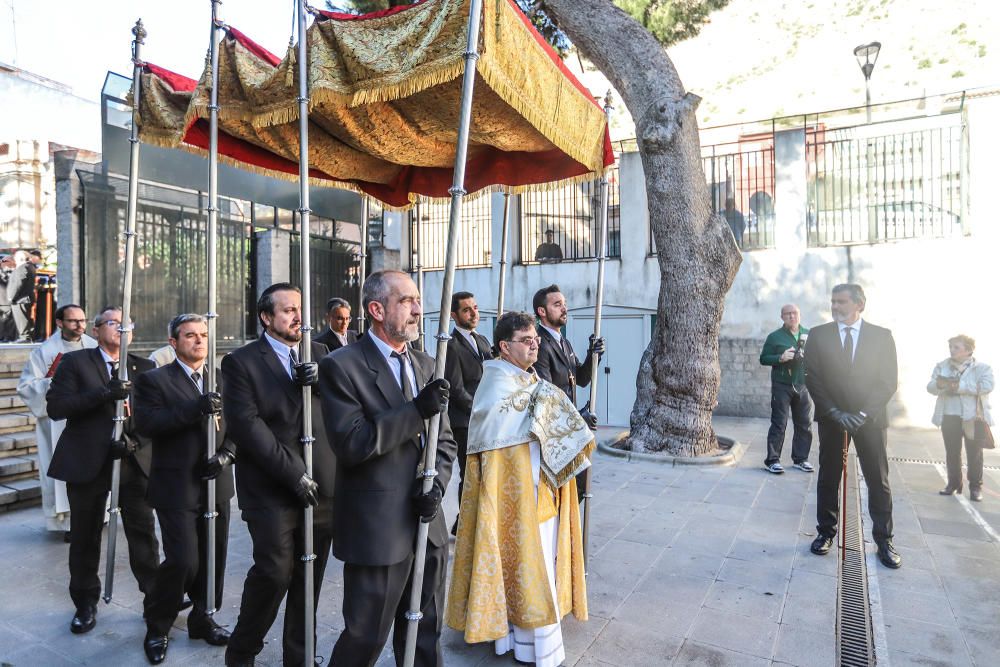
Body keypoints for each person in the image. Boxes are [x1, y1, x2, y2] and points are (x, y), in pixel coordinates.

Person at [319, 269, 455, 667]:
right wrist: (416, 410)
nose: (418, 309)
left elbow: (443, 441)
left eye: (417, 300)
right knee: (365, 636)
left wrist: (437, 488)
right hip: (378, 528)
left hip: (428, 525)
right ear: (376, 309)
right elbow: (353, 443)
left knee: (425, 632)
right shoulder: (342, 366)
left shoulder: (428, 364)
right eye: (406, 301)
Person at [446, 311, 592, 667]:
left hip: (541, 487)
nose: (534, 347)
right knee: (526, 563)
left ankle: (517, 634)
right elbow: (506, 431)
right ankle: (529, 640)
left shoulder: (528, 379)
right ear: (504, 347)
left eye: (536, 341)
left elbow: (546, 413)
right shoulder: (495, 384)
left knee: (537, 561)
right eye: (526, 341)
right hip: (515, 493)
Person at [222, 283, 336, 667]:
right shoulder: (241, 362)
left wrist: (321, 382)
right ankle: (242, 649)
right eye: (287, 310)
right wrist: (293, 474)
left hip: (320, 486)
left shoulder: (319, 353)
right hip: (271, 487)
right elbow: (247, 427)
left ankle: (300, 656)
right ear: (266, 318)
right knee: (274, 572)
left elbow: (339, 406)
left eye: (299, 309)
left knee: (310, 576)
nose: (297, 317)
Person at [46, 306, 161, 633]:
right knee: (85, 536)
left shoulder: (145, 367)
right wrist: (103, 394)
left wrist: (134, 442)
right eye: (114, 323)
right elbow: (57, 408)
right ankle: (85, 602)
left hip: (132, 462)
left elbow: (153, 417)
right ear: (95, 331)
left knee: (143, 534)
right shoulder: (75, 362)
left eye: (127, 323)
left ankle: (154, 598)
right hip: (87, 462)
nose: (122, 329)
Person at [134, 314, 235, 664]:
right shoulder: (154, 380)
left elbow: (239, 422)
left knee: (213, 557)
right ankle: (158, 623)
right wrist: (196, 408)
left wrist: (227, 453)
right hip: (176, 484)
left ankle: (202, 617)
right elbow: (147, 424)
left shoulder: (220, 377)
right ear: (173, 342)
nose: (199, 341)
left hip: (216, 481)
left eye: (203, 335)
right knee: (184, 560)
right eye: (190, 335)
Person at [805, 284, 901, 569]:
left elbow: (888, 381)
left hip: (869, 420)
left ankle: (884, 540)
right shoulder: (819, 334)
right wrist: (834, 411)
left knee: (878, 479)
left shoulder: (882, 337)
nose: (835, 307)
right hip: (833, 419)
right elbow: (812, 376)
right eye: (833, 301)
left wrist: (861, 413)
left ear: (860, 304)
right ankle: (825, 533)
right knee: (828, 476)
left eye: (842, 302)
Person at [16, 304, 97, 535]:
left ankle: (95, 517)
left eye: (83, 320)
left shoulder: (92, 346)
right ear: (60, 323)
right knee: (63, 472)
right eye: (73, 321)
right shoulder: (44, 352)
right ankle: (68, 523)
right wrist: (59, 381)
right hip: (57, 422)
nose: (80, 325)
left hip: (88, 418)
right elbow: (26, 387)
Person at [443, 291, 493, 534]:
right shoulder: (451, 346)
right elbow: (456, 389)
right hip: (465, 422)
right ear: (454, 315)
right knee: (469, 472)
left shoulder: (482, 340)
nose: (474, 313)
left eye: (475, 307)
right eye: (466, 310)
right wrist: (481, 410)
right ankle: (463, 526)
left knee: (482, 473)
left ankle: (466, 522)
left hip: (486, 418)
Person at [926, 335, 994, 502]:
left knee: (975, 453)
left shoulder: (982, 368)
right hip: (949, 415)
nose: (952, 350)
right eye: (951, 347)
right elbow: (930, 387)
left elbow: (987, 386)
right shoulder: (942, 366)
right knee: (952, 452)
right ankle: (954, 483)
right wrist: (940, 385)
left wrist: (959, 386)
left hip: (974, 417)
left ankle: (975, 487)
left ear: (969, 350)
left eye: (957, 347)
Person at [532, 284, 604, 425]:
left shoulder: (565, 343)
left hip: (567, 425)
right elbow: (546, 397)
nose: (564, 309)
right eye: (557, 305)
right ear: (542, 311)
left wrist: (593, 354)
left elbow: (582, 379)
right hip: (553, 425)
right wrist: (578, 418)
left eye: (565, 304)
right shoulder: (539, 345)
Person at [759, 304, 814, 474]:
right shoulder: (775, 337)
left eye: (795, 313)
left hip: (803, 385)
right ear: (782, 317)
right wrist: (780, 358)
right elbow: (763, 359)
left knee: (804, 424)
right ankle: (773, 460)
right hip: (782, 385)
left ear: (800, 315)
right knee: (779, 423)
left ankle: (801, 459)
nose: (792, 316)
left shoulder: (809, 334)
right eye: (788, 314)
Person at [8, 249, 38, 342]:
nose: (15, 260)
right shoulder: (29, 266)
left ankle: (25, 338)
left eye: (16, 258)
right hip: (23, 298)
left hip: (21, 298)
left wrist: (11, 296)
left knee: (22, 319)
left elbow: (18, 283)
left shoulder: (23, 267)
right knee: (24, 318)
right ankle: (26, 337)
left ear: (20, 258)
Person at [0, 255, 16, 341]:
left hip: (7, 299)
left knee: (9, 319)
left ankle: (7, 337)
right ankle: (3, 336)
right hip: (3, 299)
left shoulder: (11, 272)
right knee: (4, 319)